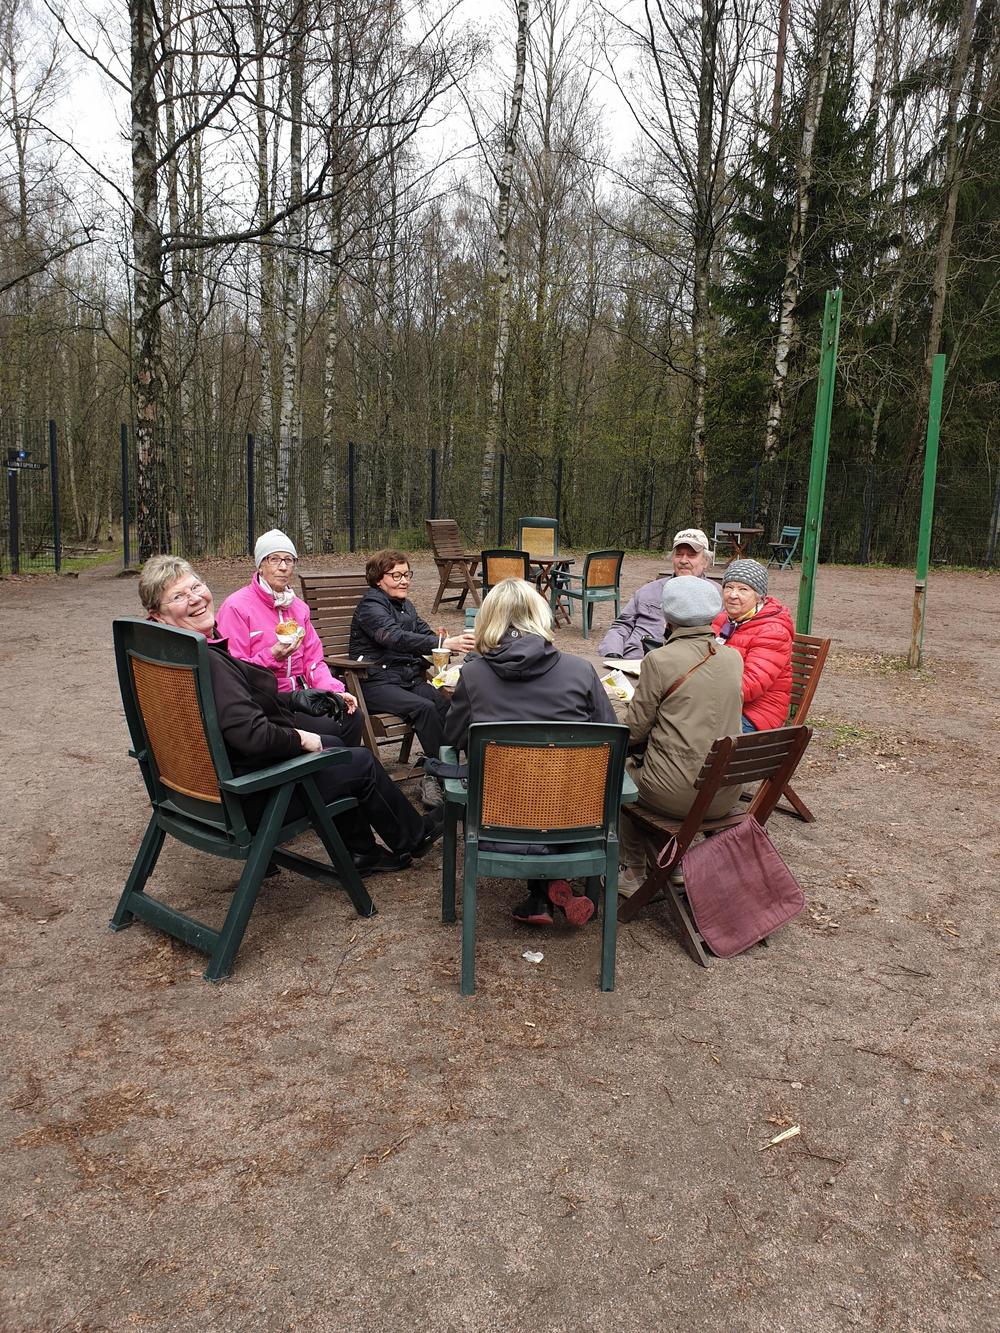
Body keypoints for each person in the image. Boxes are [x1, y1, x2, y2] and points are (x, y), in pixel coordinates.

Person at [138, 555, 442, 875]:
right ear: (157, 614)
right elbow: (252, 735)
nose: (195, 598)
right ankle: (412, 836)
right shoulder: (209, 660)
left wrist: (294, 698)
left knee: (334, 743)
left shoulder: (170, 656)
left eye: (196, 586)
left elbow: (231, 707)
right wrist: (301, 737)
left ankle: (361, 851)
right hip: (249, 795)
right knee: (357, 761)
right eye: (178, 596)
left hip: (206, 786)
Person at [444, 578, 618, 927]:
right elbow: (609, 738)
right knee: (550, 783)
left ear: (488, 619)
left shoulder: (474, 674)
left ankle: (541, 894)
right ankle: (550, 884)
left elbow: (452, 737)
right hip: (576, 819)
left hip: (498, 821)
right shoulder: (581, 671)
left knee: (521, 784)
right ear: (541, 616)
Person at [618, 577, 744, 896]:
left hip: (679, 796)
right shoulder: (733, 658)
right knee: (668, 770)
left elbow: (633, 732)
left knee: (620, 775)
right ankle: (672, 864)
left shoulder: (659, 660)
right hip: (725, 793)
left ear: (668, 616)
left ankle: (633, 870)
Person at [349, 549, 475, 808]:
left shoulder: (406, 605)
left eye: (407, 574)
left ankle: (438, 771)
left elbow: (423, 633)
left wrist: (442, 644)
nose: (404, 580)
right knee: (425, 707)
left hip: (405, 679)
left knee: (449, 702)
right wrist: (442, 641)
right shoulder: (371, 606)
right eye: (396, 575)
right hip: (373, 682)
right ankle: (440, 774)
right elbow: (394, 637)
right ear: (378, 579)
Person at [215, 529, 362, 748]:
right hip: (265, 700)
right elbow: (232, 670)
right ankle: (324, 773)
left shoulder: (299, 608)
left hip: (301, 696)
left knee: (350, 716)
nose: (283, 567)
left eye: (288, 560)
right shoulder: (236, 607)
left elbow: (314, 661)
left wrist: (335, 690)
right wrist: (271, 655)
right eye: (274, 559)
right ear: (260, 565)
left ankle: (340, 774)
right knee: (330, 729)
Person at [598, 527, 712, 660]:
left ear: (705, 561)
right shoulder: (649, 591)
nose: (683, 560)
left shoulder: (716, 597)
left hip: (683, 669)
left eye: (692, 555)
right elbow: (621, 625)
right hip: (634, 661)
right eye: (679, 554)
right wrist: (612, 653)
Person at [711, 559, 793, 733]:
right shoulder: (722, 619)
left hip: (756, 714)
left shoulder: (774, 631)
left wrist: (698, 686)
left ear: (759, 596)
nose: (733, 595)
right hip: (721, 702)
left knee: (688, 729)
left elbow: (749, 687)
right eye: (729, 587)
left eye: (743, 589)